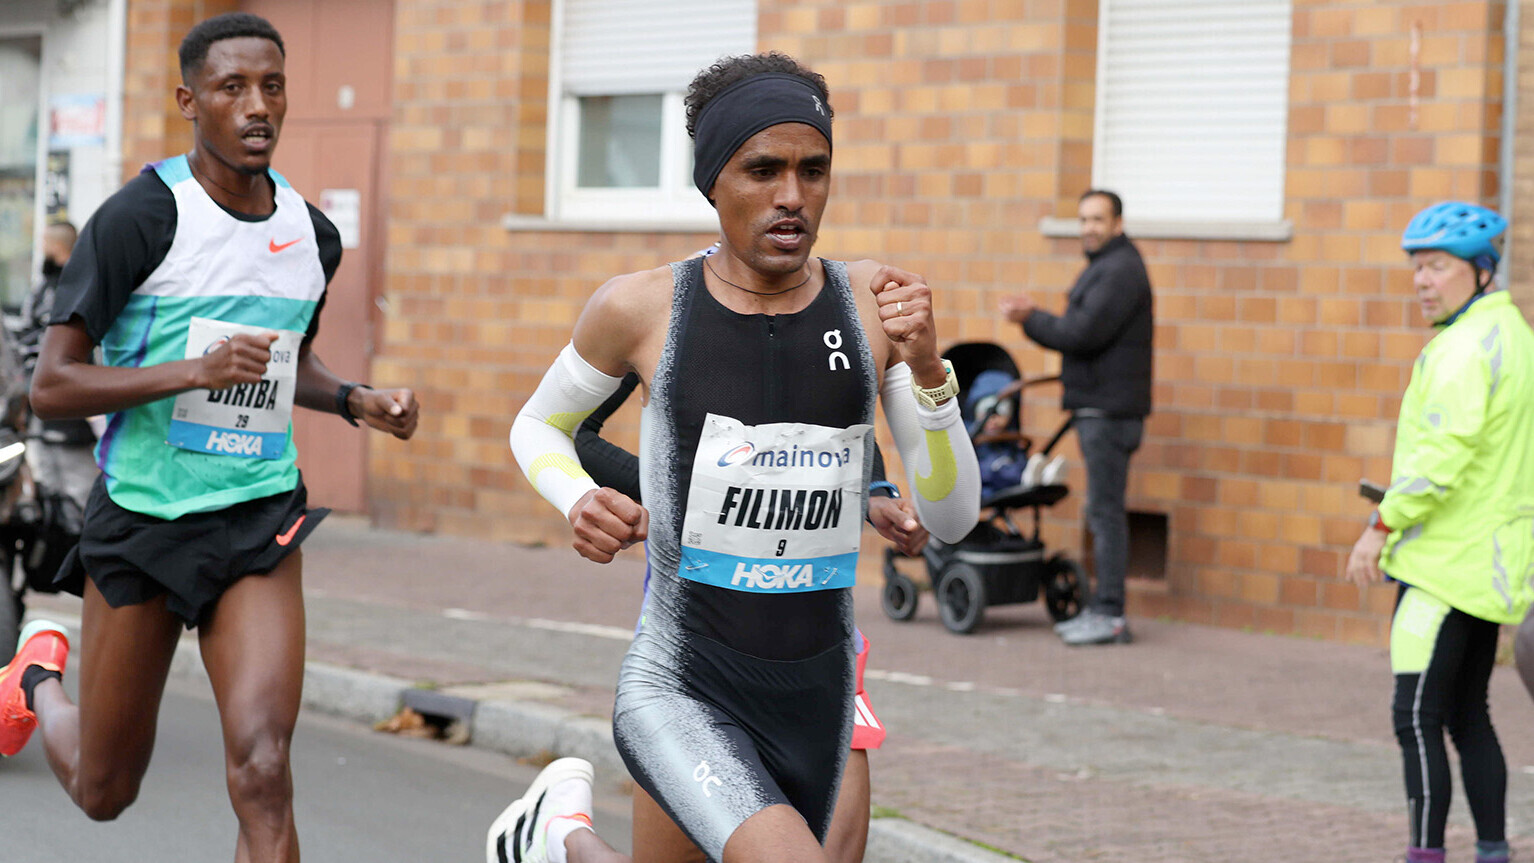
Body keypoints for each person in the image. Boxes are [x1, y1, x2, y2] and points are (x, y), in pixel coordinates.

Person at [503, 52, 979, 863]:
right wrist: (576, 497)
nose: (792, 196)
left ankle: (555, 840)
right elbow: (539, 425)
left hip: (815, 687)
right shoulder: (644, 306)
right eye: (764, 170)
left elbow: (953, 516)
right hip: (683, 681)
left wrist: (930, 374)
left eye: (813, 169)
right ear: (712, 182)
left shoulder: (873, 304)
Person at [0, 13, 419, 862]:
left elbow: (280, 365)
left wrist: (353, 397)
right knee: (102, 791)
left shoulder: (312, 234)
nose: (257, 106)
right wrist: (192, 372)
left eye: (272, 86)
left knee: (264, 767)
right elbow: (52, 384)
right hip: (145, 518)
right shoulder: (139, 219)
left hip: (254, 518)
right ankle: (35, 679)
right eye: (232, 88)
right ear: (190, 101)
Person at [570, 363, 924, 863]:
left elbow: (841, 430)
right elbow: (573, 431)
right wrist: (676, 494)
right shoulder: (660, 305)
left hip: (817, 648)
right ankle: (562, 840)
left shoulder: (836, 302)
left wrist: (874, 493)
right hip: (696, 650)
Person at [1345, 201, 1534, 863]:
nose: (1422, 280)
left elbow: (1441, 458)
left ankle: (1425, 856)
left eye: (1437, 266)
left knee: (1416, 716)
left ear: (1481, 270)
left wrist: (1381, 522)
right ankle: (1492, 850)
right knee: (1467, 713)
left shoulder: (1461, 348)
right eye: (1416, 267)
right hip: (1490, 566)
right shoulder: (1514, 335)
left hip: (1441, 568)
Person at [999, 189, 1152, 646]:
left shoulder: (1120, 271)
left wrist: (1030, 318)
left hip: (1108, 412)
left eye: (1098, 219)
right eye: (1083, 219)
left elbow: (1081, 333)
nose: (1088, 227)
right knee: (1102, 511)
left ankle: (1110, 615)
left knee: (1104, 513)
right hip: (1100, 408)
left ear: (1118, 223)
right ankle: (1106, 610)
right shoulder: (1108, 267)